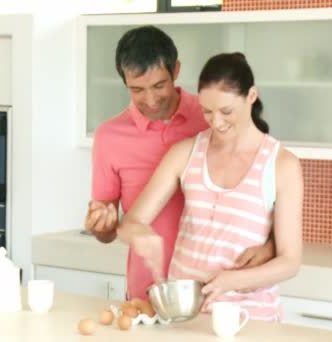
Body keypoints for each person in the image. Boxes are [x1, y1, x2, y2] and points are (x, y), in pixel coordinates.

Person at [84, 26, 276, 301]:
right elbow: (111, 229)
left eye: (159, 85)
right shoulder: (109, 137)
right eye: (137, 89)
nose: (150, 100)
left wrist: (271, 246)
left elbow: (266, 186)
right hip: (149, 292)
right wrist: (102, 226)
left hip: (218, 289)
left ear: (176, 70)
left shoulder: (212, 114)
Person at [117, 52, 303, 321]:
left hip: (250, 318)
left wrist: (231, 281)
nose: (216, 122)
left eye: (226, 111)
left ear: (251, 96)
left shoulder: (282, 165)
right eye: (207, 111)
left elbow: (290, 261)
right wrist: (139, 234)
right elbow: (130, 222)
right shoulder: (185, 152)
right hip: (186, 316)